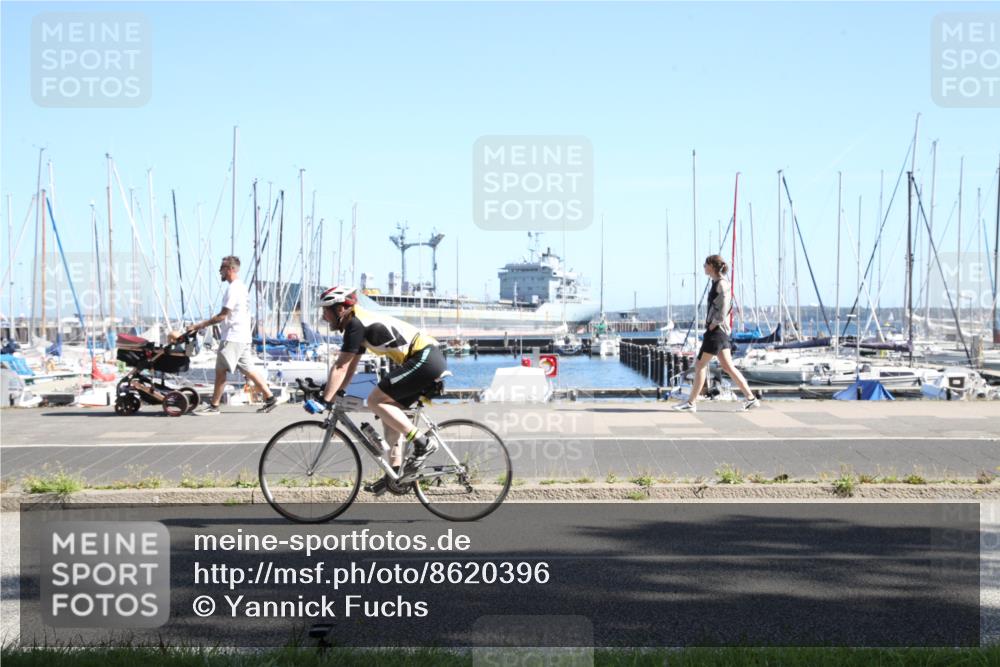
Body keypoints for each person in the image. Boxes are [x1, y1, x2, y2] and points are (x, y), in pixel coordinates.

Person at [316, 285, 446, 495]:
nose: (323, 316)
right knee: (389, 415)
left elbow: (339, 366)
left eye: (326, 310)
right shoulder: (357, 323)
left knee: (375, 400)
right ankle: (395, 475)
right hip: (426, 359)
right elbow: (349, 367)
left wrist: (325, 400)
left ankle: (423, 442)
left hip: (425, 357)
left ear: (340, 309)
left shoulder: (356, 325)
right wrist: (338, 392)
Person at [175, 256, 276, 414]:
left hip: (233, 337)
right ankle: (270, 397)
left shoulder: (233, 289)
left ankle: (214, 406)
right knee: (248, 369)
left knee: (221, 370)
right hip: (242, 336)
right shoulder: (241, 287)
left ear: (230, 269)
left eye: (222, 268)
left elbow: (223, 315)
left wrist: (198, 326)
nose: (219, 271)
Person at [672, 254, 759, 413]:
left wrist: (713, 323)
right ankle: (751, 399)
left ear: (712, 266)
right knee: (728, 366)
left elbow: (725, 306)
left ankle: (691, 403)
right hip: (720, 332)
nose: (704, 267)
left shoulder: (721, 284)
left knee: (700, 365)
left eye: (706, 264)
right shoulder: (717, 283)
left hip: (717, 332)